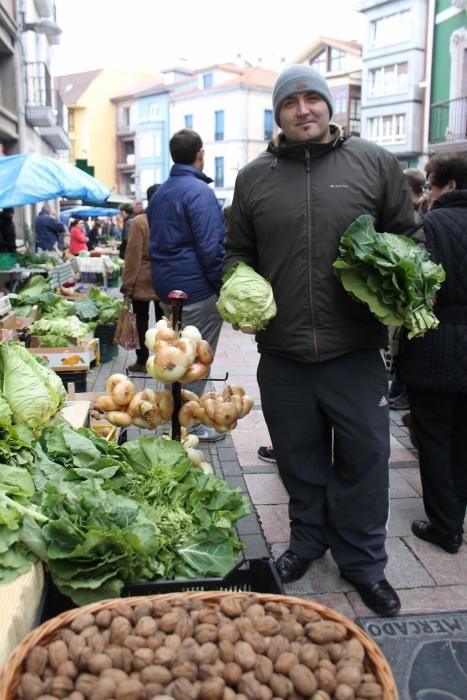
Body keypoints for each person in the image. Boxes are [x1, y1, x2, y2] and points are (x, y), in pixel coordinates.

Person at [224, 64, 424, 616]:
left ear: (330, 107)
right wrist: (239, 285)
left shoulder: (374, 164)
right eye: (292, 102)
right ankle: (307, 542)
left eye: (314, 99)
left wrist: (404, 281)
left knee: (365, 459)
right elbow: (237, 250)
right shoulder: (254, 177)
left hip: (355, 348)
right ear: (279, 113)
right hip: (283, 351)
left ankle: (363, 564)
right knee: (298, 458)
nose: (304, 109)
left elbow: (408, 237)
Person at [397, 153, 467, 555]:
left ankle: (446, 526)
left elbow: (414, 290)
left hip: (434, 347)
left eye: (431, 184)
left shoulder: (430, 226)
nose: (428, 192)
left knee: (435, 437)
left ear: (451, 185)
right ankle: (455, 513)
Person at [148, 128, 225, 442]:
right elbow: (211, 247)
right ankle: (188, 423)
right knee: (195, 358)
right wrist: (220, 286)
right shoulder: (200, 192)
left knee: (173, 353)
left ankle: (175, 419)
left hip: (166, 284)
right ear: (200, 154)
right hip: (195, 287)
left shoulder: (162, 191)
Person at [388, 168, 430, 413]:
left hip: (420, 304)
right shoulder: (417, 214)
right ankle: (399, 389)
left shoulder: (423, 217)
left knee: (406, 345)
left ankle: (402, 390)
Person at [121, 184, 164, 373]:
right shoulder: (170, 220)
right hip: (165, 276)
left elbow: (133, 255)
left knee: (141, 321)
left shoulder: (140, 221)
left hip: (143, 278)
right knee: (165, 323)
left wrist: (127, 285)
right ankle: (165, 360)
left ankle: (142, 361)